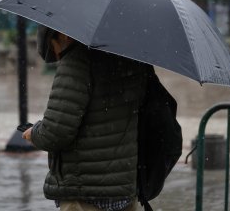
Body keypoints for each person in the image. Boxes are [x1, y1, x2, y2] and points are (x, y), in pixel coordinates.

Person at [23, 25, 150, 211]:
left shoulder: (77, 61)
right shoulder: (130, 58)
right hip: (123, 190)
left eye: (53, 44)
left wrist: (33, 133)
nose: (57, 55)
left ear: (63, 35)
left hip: (85, 194)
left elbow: (56, 132)